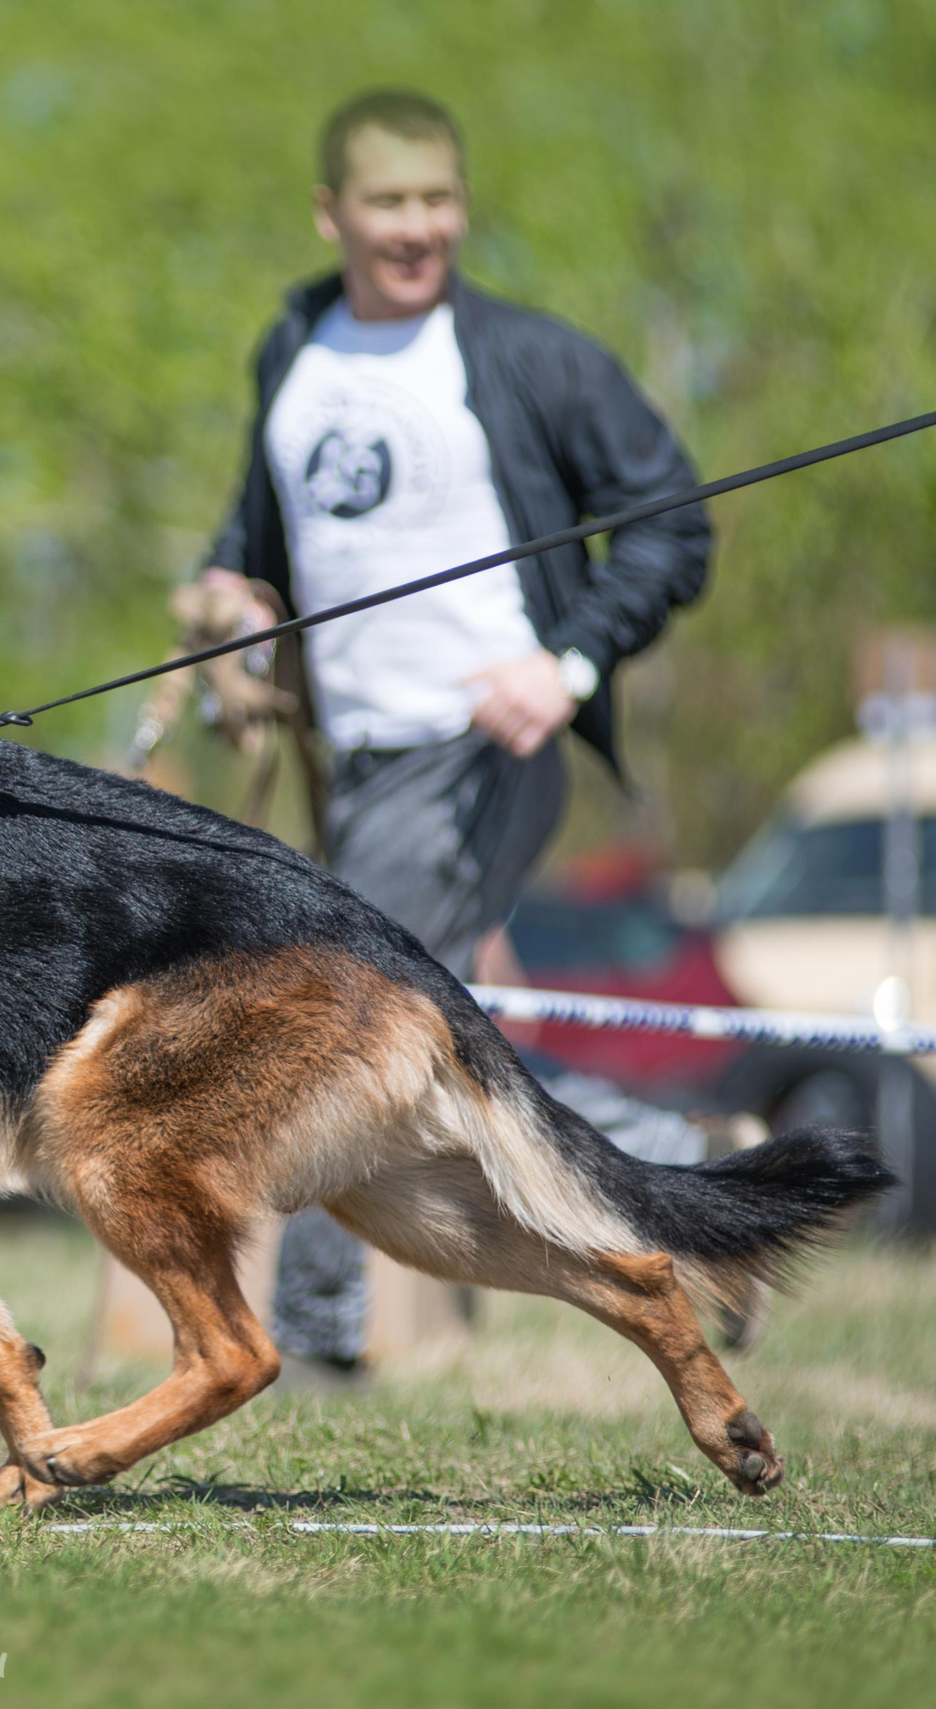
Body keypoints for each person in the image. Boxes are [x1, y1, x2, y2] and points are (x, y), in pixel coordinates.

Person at [197, 89, 715, 1379]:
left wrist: (571, 664)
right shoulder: (297, 349)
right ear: (334, 213)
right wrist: (223, 591)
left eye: (438, 199)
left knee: (338, 1016)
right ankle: (688, 1165)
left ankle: (314, 1342)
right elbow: (259, 537)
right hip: (354, 753)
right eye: (388, 202)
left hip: (481, 746)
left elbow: (672, 522)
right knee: (434, 1036)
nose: (417, 226)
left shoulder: (532, 358)